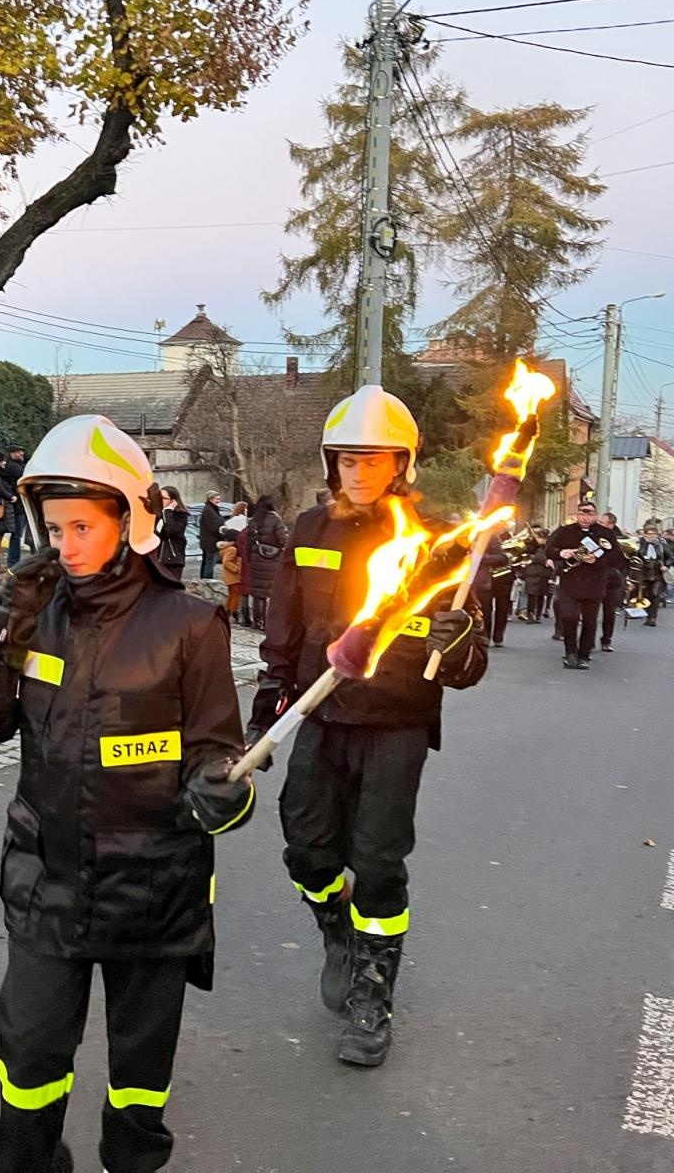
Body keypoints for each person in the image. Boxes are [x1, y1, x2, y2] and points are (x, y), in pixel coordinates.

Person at [0, 414, 252, 1173]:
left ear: (131, 520)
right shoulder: (34, 617)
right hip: (46, 884)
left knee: (138, 1087)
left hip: (153, 893)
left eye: (83, 526)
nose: (66, 546)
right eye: (54, 528)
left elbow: (219, 752)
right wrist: (3, 640)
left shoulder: (191, 625)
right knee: (27, 1071)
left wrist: (220, 794)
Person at [251, 384, 488, 1068]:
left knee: (379, 862)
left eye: (373, 460)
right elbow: (283, 632)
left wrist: (461, 638)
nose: (357, 472)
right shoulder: (308, 531)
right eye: (346, 460)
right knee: (308, 851)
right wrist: (266, 710)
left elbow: (467, 668)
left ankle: (372, 992)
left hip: (396, 724)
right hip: (320, 715)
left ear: (402, 464)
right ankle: (338, 929)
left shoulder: (442, 547)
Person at [545, 502, 615, 670]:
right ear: (576, 514)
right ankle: (570, 653)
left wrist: (597, 559)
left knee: (590, 621)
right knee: (569, 617)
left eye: (589, 514)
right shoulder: (565, 531)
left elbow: (616, 557)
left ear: (596, 516)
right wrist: (562, 553)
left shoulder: (605, 533)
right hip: (570, 581)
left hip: (595, 581)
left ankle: (584, 655)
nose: (585, 518)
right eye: (582, 514)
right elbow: (548, 549)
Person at [242, 493, 287, 630]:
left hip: (256, 558)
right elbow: (283, 539)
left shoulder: (254, 521)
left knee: (257, 593)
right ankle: (268, 624)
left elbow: (248, 542)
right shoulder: (276, 520)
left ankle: (257, 621)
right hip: (272, 560)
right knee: (269, 593)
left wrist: (250, 557)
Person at [474, 528, 513, 648]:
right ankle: (483, 636)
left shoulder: (490, 535)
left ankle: (496, 636)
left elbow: (502, 558)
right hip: (477, 580)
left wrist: (479, 557)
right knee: (483, 610)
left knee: (499, 608)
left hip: (498, 578)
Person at [599, 512, 630, 652]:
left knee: (609, 612)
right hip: (593, 578)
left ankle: (606, 640)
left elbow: (626, 563)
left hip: (612, 579)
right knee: (589, 612)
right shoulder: (592, 535)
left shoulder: (621, 540)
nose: (598, 525)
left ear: (610, 524)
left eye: (602, 523)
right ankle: (587, 640)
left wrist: (629, 580)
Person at [154, 485, 190, 580]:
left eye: (164, 498)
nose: (160, 500)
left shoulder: (181, 515)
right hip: (157, 559)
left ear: (173, 501)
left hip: (172, 559)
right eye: (159, 498)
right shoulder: (157, 515)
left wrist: (168, 511)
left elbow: (171, 530)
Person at [5, 444, 30, 566]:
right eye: (19, 452)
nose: (22, 454)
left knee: (19, 535)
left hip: (22, 505)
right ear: (12, 454)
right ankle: (13, 562)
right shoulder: (12, 467)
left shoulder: (18, 465)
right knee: (16, 535)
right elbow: (26, 474)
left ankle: (14, 561)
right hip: (18, 507)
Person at [638, 524, 666, 627]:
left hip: (657, 574)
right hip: (644, 574)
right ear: (645, 534)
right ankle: (648, 615)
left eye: (653, 534)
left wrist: (666, 565)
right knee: (646, 596)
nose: (651, 536)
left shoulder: (661, 545)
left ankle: (652, 617)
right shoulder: (639, 544)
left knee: (655, 594)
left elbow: (670, 557)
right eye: (648, 534)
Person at [197, 491, 225, 579]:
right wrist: (223, 535)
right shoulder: (209, 510)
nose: (218, 501)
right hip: (211, 542)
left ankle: (204, 581)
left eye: (219, 499)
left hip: (208, 542)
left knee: (206, 563)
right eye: (216, 499)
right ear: (210, 499)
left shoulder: (209, 509)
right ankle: (207, 582)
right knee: (209, 564)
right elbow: (215, 526)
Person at [218, 538, 243, 619]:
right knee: (236, 595)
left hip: (229, 576)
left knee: (232, 594)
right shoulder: (232, 549)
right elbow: (226, 562)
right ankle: (233, 612)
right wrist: (236, 569)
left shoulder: (226, 548)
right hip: (233, 576)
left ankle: (228, 611)